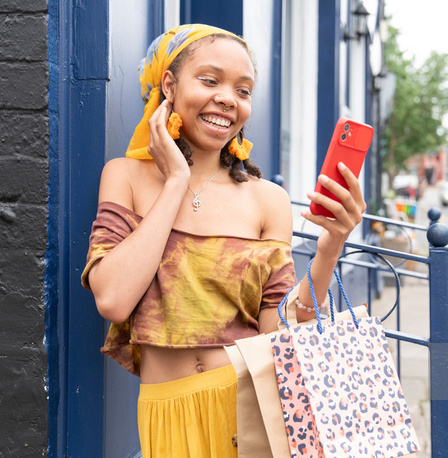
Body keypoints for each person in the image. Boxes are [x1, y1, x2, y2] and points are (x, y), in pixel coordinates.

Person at [80, 24, 366, 457]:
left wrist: (330, 248)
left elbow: (279, 330)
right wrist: (176, 179)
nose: (229, 99)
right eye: (210, 81)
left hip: (253, 409)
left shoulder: (267, 199)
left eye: (244, 90)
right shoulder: (125, 177)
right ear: (169, 86)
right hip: (168, 412)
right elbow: (114, 300)